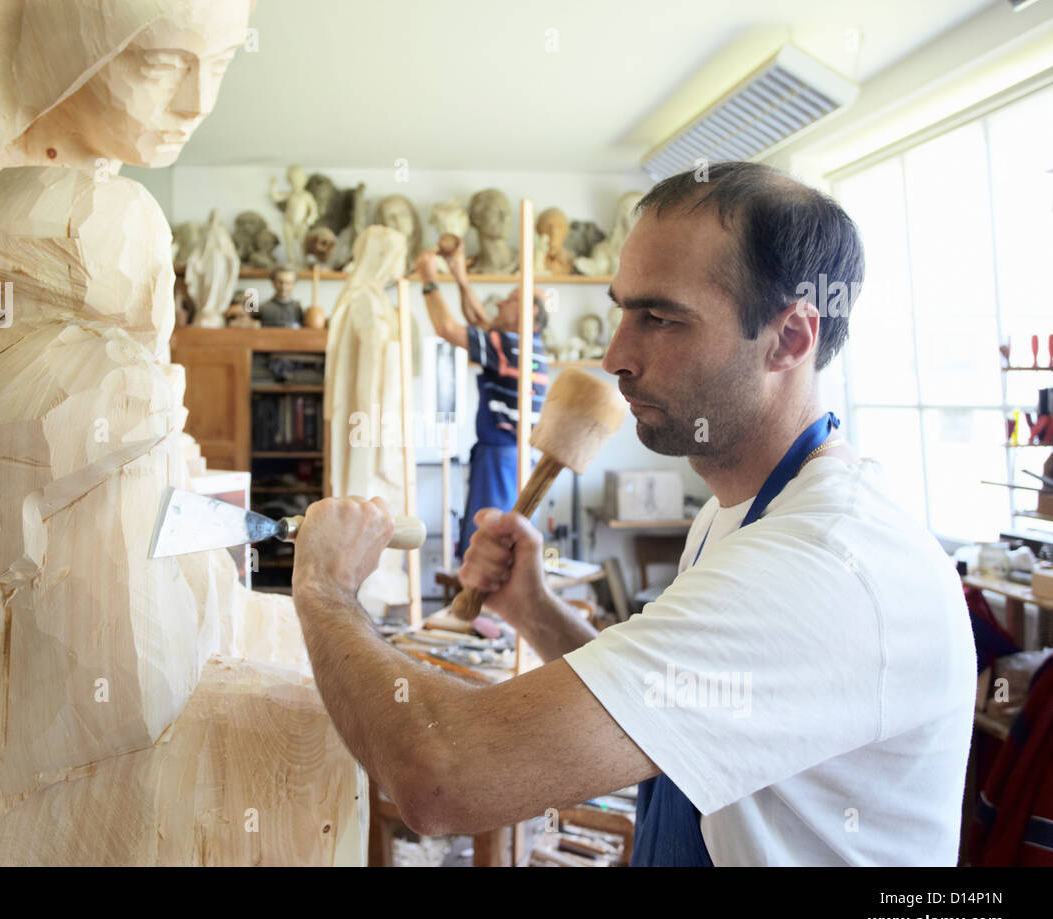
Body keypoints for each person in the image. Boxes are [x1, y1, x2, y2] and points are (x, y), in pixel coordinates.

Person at [289, 161, 977, 865]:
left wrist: (324, 588)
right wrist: (535, 609)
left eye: (661, 318)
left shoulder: (822, 564)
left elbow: (443, 777)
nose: (615, 355)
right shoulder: (736, 512)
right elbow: (665, 704)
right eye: (622, 311)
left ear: (790, 339)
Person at [413, 240, 550, 562]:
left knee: (490, 549)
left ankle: (482, 596)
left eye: (510, 300)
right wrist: (460, 276)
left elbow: (447, 328)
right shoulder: (524, 344)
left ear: (529, 311)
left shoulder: (510, 345)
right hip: (510, 455)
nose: (499, 303)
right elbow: (477, 319)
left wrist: (428, 279)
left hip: (502, 457)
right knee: (498, 543)